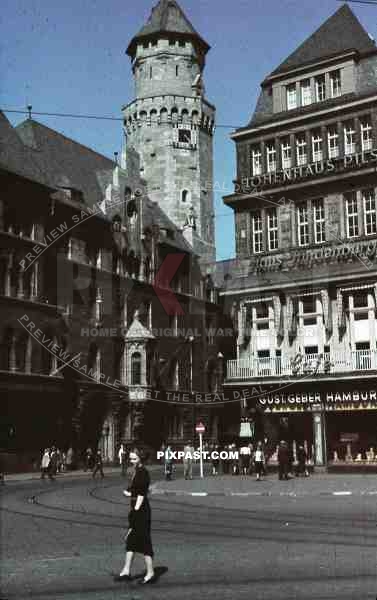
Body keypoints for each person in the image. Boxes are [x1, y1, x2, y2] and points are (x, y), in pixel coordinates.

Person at [116, 449, 155, 585]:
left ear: (140, 458)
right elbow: (134, 489)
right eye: (130, 459)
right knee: (131, 541)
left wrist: (136, 511)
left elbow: (141, 494)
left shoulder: (143, 472)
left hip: (141, 511)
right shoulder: (136, 472)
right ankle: (126, 570)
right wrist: (128, 492)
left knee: (144, 541)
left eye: (134, 459)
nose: (131, 461)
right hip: (135, 509)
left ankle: (150, 573)